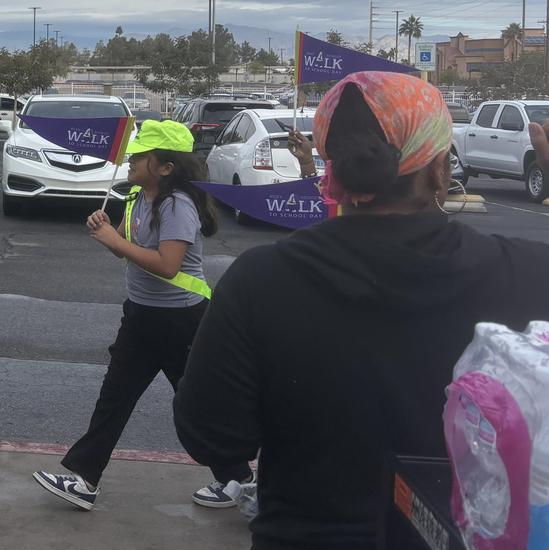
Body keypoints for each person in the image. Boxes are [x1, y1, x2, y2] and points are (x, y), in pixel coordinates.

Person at [173, 72, 549, 549]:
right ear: (439, 170)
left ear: (333, 166)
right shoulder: (528, 275)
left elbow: (210, 437)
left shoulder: (261, 280)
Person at [31, 120, 254, 510]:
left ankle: (238, 477)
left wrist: (116, 241)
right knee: (115, 397)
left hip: (182, 320)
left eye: (141, 155)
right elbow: (123, 248)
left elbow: (168, 265)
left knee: (196, 404)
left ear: (166, 167)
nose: (131, 159)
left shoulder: (177, 204)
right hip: (142, 316)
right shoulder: (137, 196)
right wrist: (107, 233)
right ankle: (84, 478)